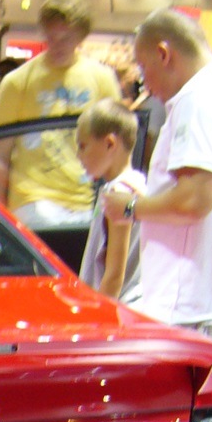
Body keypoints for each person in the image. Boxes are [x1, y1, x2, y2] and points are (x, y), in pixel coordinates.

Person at [100, 8, 212, 361]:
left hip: (191, 310)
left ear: (164, 54)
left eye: (144, 67)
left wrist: (130, 208)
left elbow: (194, 199)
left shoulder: (200, 100)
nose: (145, 83)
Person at [0, 0, 121, 229]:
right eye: (52, 36)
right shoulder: (18, 82)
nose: (58, 44)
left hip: (88, 201)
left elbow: (117, 149)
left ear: (81, 35)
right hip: (32, 201)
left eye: (66, 37)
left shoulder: (102, 79)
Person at [74, 98, 145, 304]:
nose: (79, 155)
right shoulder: (136, 184)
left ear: (109, 144)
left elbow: (114, 274)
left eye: (83, 146)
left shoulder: (119, 193)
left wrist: (97, 316)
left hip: (118, 307)